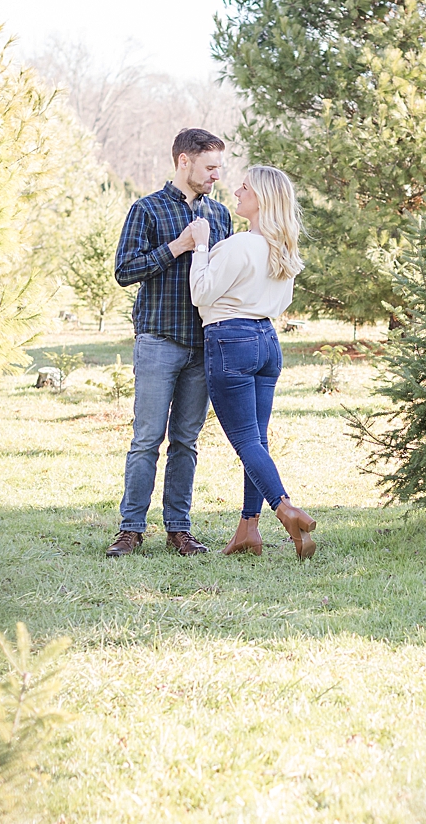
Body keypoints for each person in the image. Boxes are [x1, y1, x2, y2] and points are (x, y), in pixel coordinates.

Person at [105, 128, 233, 558]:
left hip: (203, 344)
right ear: (184, 161)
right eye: (210, 167)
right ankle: (130, 529)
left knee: (186, 441)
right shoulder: (147, 210)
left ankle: (179, 529)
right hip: (159, 339)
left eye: (220, 167)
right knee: (146, 439)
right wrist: (178, 246)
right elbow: (125, 270)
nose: (217, 175)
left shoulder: (221, 216)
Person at [189, 166, 317, 560]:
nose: (237, 190)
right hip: (266, 340)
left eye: (245, 186)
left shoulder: (239, 245)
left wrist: (200, 245)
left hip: (231, 340)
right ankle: (248, 529)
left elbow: (201, 293)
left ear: (261, 198)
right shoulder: (282, 249)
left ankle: (285, 508)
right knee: (256, 441)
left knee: (246, 441)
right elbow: (282, 304)